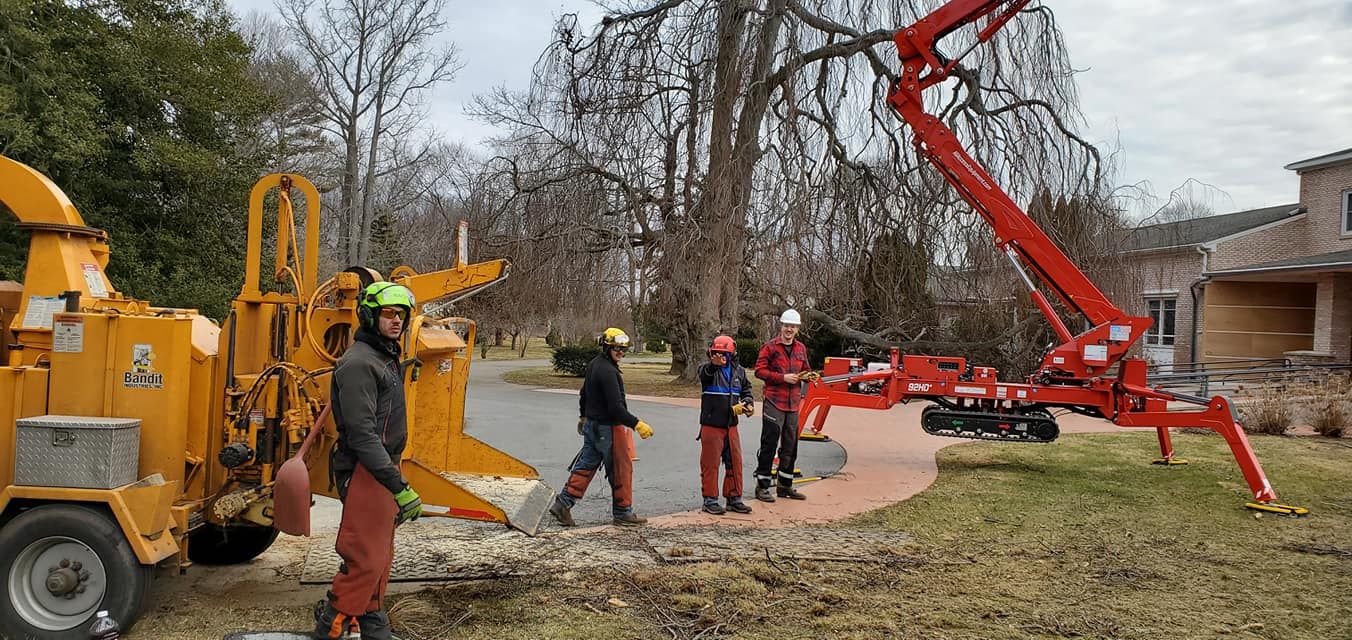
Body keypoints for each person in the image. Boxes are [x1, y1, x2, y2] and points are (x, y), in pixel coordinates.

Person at [314, 282, 423, 640]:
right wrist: (399, 486)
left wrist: (404, 369)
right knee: (364, 559)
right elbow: (362, 436)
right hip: (366, 470)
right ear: (369, 315)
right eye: (389, 314)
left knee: (380, 556)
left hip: (380, 468)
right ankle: (329, 628)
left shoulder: (383, 357)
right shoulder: (360, 363)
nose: (397, 321)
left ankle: (374, 626)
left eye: (402, 315)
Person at [549, 327, 654, 527]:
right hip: (608, 429)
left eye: (624, 349)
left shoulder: (594, 365)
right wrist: (636, 424)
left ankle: (563, 504)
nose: (621, 353)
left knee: (586, 466)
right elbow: (615, 408)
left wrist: (583, 417)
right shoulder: (608, 372)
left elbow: (583, 394)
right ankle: (623, 513)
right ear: (607, 347)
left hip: (592, 426)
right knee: (621, 469)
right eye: (617, 349)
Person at [753, 309, 811, 502]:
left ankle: (785, 486)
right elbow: (759, 371)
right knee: (769, 444)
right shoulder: (769, 348)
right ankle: (762, 487)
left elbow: (805, 370)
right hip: (774, 401)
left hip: (793, 403)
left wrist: (809, 376)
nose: (789, 329)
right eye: (787, 325)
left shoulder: (801, 349)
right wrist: (782, 378)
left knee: (790, 445)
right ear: (781, 326)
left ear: (797, 329)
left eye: (793, 326)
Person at [697, 335, 755, 515]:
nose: (720, 357)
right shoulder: (707, 370)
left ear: (732, 354)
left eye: (724, 354)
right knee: (710, 464)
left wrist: (747, 403)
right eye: (716, 353)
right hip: (712, 425)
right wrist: (714, 365)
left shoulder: (739, 372)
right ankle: (710, 500)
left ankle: (734, 498)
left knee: (735, 463)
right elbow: (704, 375)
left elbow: (747, 389)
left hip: (731, 426)